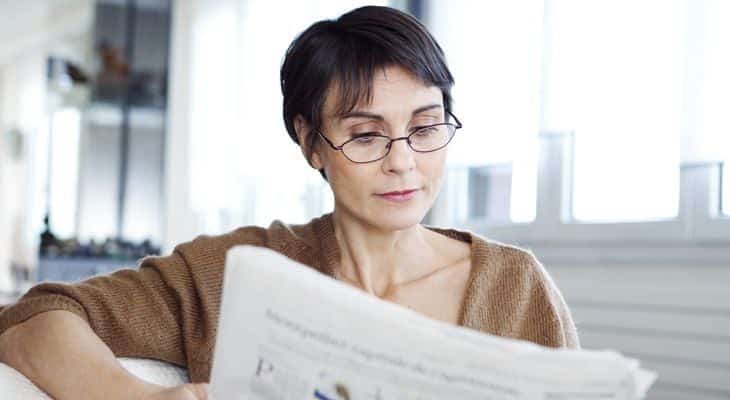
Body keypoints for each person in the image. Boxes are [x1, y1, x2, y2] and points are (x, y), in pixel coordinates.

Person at [0, 6, 579, 400]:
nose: (402, 160)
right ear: (310, 143)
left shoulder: (516, 286)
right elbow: (32, 321)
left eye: (425, 128)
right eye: (365, 135)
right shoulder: (234, 273)